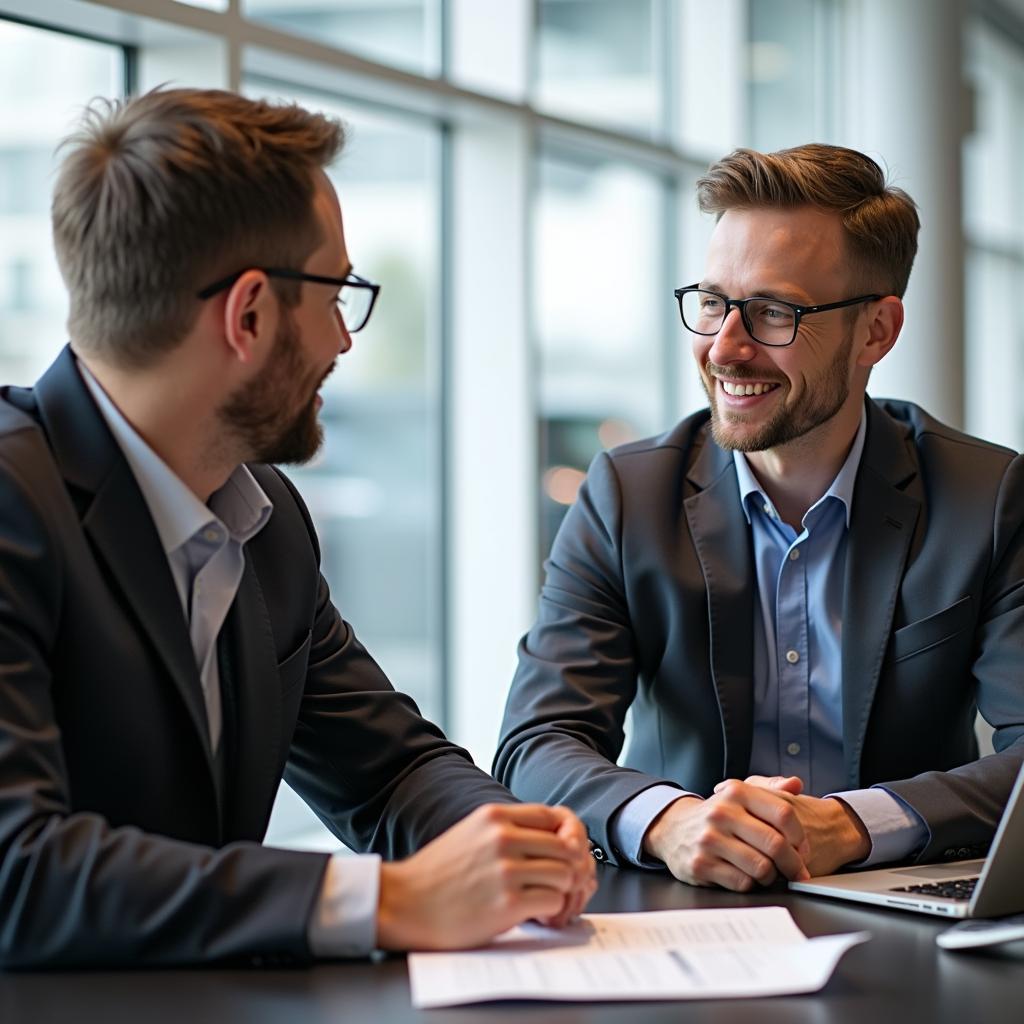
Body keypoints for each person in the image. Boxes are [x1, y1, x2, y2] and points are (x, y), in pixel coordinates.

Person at [0, 87, 595, 969]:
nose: (344, 342)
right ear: (248, 314)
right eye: (338, 294)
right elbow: (19, 873)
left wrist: (503, 837)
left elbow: (387, 767)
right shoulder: (15, 503)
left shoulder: (262, 518)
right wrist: (388, 899)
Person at [494, 143, 1024, 893]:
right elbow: (535, 743)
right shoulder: (627, 492)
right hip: (685, 907)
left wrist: (851, 823)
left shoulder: (987, 496)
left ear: (876, 330)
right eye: (713, 302)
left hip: (900, 912)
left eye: (774, 311)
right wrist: (670, 820)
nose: (725, 347)